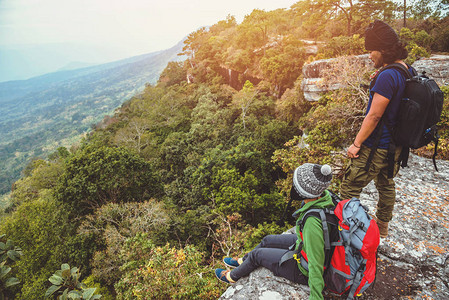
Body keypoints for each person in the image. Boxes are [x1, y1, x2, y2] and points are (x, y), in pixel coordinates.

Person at [215, 163, 333, 300]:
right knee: (267, 240)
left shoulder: (313, 222)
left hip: (303, 270)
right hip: (305, 244)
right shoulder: (324, 197)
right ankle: (243, 261)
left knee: (257, 255)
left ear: (303, 191)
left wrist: (316, 297)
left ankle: (232, 276)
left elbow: (315, 263)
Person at [340, 20, 410, 238]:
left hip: (376, 146)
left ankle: (346, 232)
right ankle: (382, 227)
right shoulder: (406, 70)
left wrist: (356, 143)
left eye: (371, 50)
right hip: (395, 145)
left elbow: (374, 115)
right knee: (386, 183)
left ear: (383, 50)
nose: (369, 55)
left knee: (349, 188)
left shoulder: (388, 75)